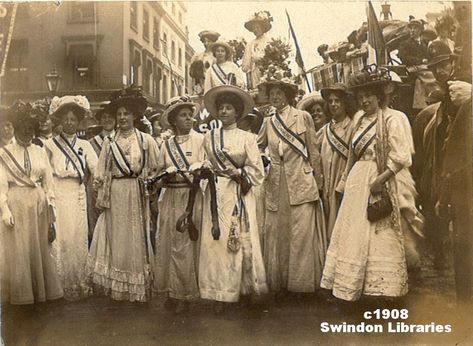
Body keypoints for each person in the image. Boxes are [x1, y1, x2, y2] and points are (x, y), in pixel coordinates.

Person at [321, 66, 421, 302]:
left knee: (380, 232)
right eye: (360, 96)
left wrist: (380, 180)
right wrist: (345, 182)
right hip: (358, 180)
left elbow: (401, 157)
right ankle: (354, 286)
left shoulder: (394, 118)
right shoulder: (358, 119)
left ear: (379, 95)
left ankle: (383, 289)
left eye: (369, 95)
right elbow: (351, 153)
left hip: (383, 179)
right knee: (354, 232)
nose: (364, 100)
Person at [87, 86, 160, 302]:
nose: (121, 118)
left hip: (136, 193)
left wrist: (149, 186)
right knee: (117, 238)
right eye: (119, 114)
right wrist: (100, 195)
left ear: (135, 116)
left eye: (126, 114)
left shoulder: (145, 140)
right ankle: (117, 287)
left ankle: (136, 288)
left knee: (136, 237)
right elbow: (100, 172)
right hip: (116, 193)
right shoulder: (109, 143)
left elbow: (156, 168)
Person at [199, 85, 267, 314]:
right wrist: (205, 171)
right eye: (221, 108)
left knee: (238, 239)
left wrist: (240, 174)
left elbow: (257, 170)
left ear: (237, 113)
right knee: (216, 243)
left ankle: (244, 289)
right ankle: (220, 293)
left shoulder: (248, 138)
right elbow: (202, 163)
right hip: (215, 194)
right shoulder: (209, 137)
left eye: (229, 108)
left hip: (238, 193)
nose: (224, 112)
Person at [256, 72, 326, 297]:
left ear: (288, 95)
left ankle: (301, 284)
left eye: (279, 93)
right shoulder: (268, 121)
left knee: (301, 232)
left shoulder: (302, 116)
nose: (275, 97)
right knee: (279, 232)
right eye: (272, 94)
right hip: (277, 182)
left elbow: (313, 150)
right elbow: (256, 147)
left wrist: (319, 179)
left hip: (301, 179)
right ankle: (282, 282)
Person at [0, 101, 63, 304]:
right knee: (19, 249)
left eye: (30, 127)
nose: (27, 131)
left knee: (39, 247)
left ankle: (39, 292)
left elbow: (49, 183)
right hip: (16, 203)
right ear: (16, 127)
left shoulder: (40, 151)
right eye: (23, 127)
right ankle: (21, 295)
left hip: (38, 205)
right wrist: (4, 209)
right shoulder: (5, 153)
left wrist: (50, 205)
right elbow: (1, 184)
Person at [154, 96, 205, 314]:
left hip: (191, 199)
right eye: (183, 115)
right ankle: (172, 292)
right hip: (170, 198)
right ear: (174, 120)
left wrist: (194, 173)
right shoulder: (166, 145)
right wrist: (164, 177)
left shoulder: (202, 140)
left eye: (190, 115)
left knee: (187, 245)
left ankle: (190, 293)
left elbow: (207, 169)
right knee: (168, 242)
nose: (188, 119)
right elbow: (158, 172)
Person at [44, 95, 98, 299]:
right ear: (60, 121)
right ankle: (60, 284)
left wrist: (97, 183)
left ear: (78, 121)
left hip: (77, 193)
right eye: (66, 119)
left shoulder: (85, 145)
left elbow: (96, 169)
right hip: (58, 191)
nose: (69, 123)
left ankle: (78, 282)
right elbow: (46, 173)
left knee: (77, 235)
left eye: (73, 119)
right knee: (62, 237)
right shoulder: (50, 145)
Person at [317, 83, 357, 239]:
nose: (333, 104)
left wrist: (344, 182)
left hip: (345, 183)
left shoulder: (353, 127)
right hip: (327, 184)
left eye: (337, 100)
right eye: (330, 101)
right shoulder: (325, 130)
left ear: (345, 103)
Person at [241, 11, 273, 90]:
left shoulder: (270, 42)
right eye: (253, 28)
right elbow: (245, 67)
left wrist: (262, 59)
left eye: (258, 27)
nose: (255, 30)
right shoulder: (250, 44)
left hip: (268, 72)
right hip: (255, 73)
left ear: (263, 27)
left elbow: (275, 59)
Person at [190, 30, 220, 95]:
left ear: (214, 42)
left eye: (209, 41)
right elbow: (193, 74)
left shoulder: (217, 56)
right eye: (204, 41)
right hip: (202, 84)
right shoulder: (198, 56)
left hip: (215, 84)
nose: (206, 44)